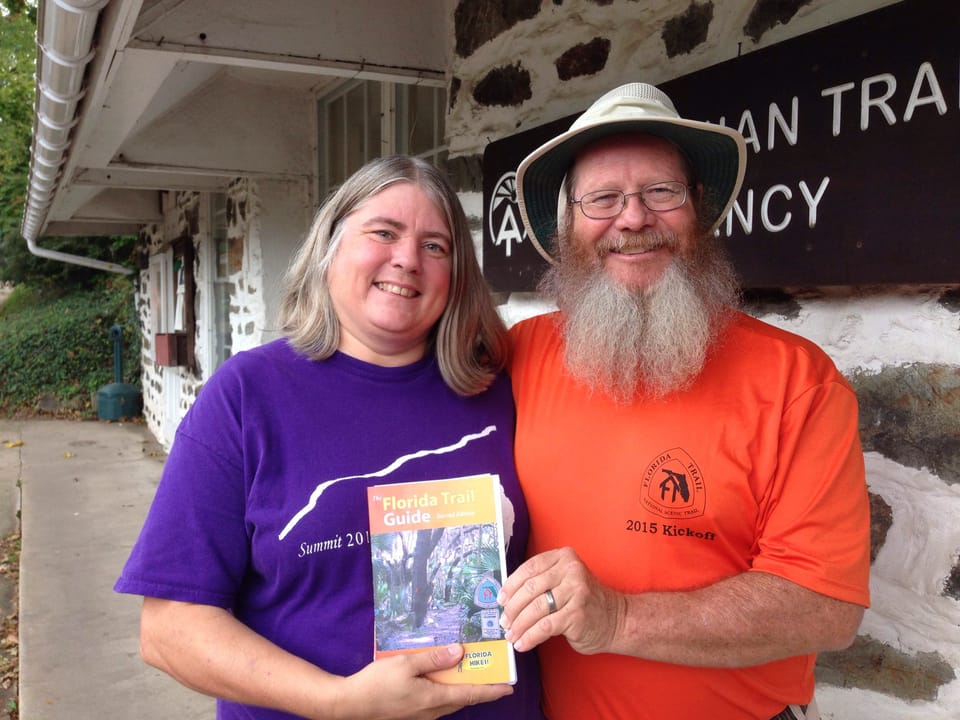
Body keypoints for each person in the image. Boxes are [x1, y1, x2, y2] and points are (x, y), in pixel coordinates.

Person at [115, 155, 544, 720]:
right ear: (330, 248)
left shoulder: (503, 389)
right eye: (384, 232)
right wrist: (339, 703)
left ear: (456, 275)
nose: (408, 259)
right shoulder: (247, 396)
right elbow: (170, 629)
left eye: (435, 246)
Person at [496, 83, 871, 720]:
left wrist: (616, 617)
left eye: (660, 193)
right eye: (602, 199)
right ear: (570, 226)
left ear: (698, 207)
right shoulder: (519, 355)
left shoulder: (796, 380)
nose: (633, 218)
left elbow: (825, 606)